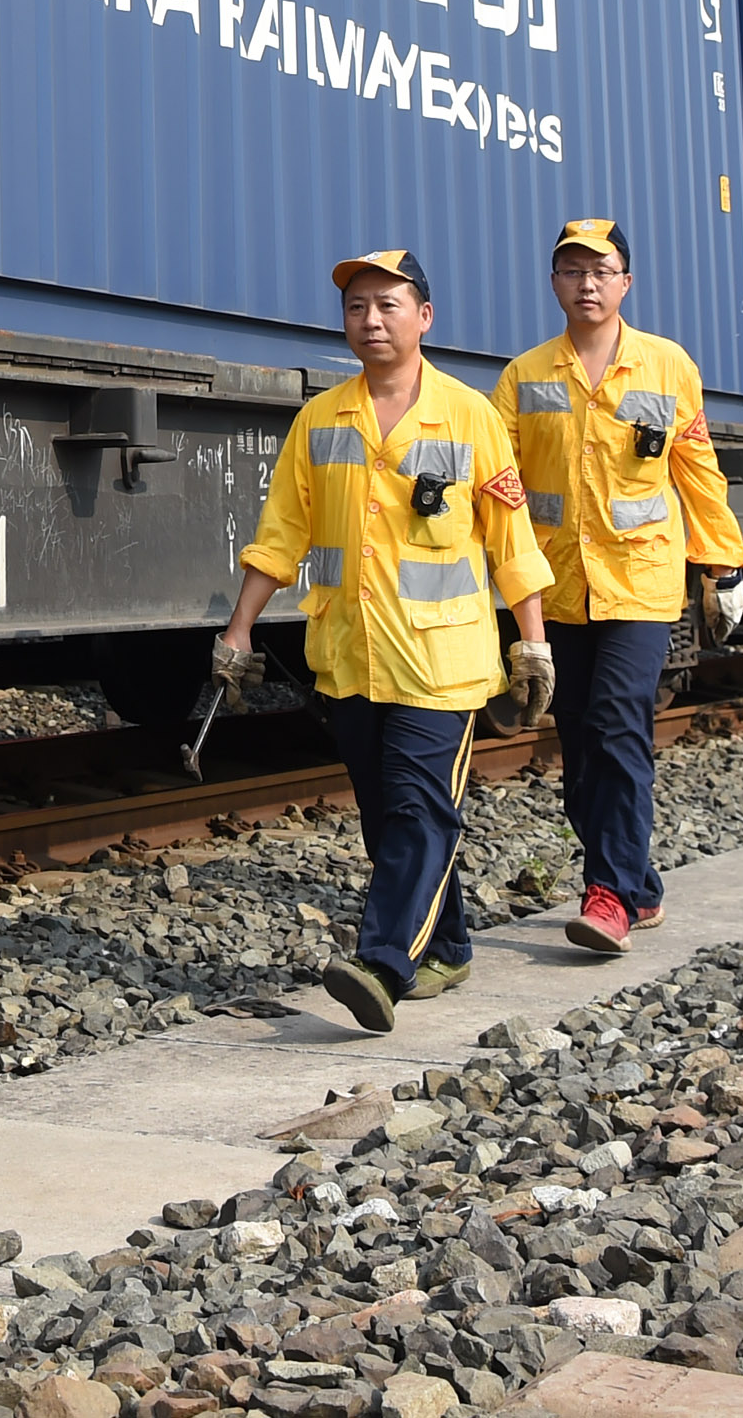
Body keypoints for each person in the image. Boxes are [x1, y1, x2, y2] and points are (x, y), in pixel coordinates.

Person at [213, 248, 556, 1033]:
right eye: (356, 307)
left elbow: (511, 542)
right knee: (389, 816)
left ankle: (383, 962)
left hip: (442, 660)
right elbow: (281, 534)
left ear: (424, 318)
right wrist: (238, 630)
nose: (370, 320)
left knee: (417, 812)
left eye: (387, 305)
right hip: (353, 658)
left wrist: (532, 643)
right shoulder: (321, 420)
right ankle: (450, 946)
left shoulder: (471, 417)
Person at [493, 218, 742, 957]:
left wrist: (723, 564)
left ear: (625, 283)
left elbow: (696, 469)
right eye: (573, 271)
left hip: (640, 582)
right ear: (554, 284)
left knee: (615, 724)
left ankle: (607, 897)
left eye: (601, 271)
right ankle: (640, 883)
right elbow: (499, 486)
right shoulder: (523, 377)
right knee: (576, 744)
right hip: (559, 586)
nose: (587, 284)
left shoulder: (667, 366)